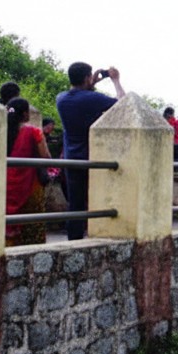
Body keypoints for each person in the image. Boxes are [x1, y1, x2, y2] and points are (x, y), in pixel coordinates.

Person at [56, 62, 125, 241]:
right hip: (94, 158)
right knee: (102, 201)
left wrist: (90, 83)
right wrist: (116, 81)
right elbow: (123, 104)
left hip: (71, 159)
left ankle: (74, 241)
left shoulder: (61, 98)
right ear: (87, 77)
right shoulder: (92, 99)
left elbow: (79, 95)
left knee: (76, 204)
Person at [5, 97, 50, 246]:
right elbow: (46, 157)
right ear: (25, 114)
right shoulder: (33, 131)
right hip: (30, 185)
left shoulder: (1, 130)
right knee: (31, 223)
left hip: (5, 185)